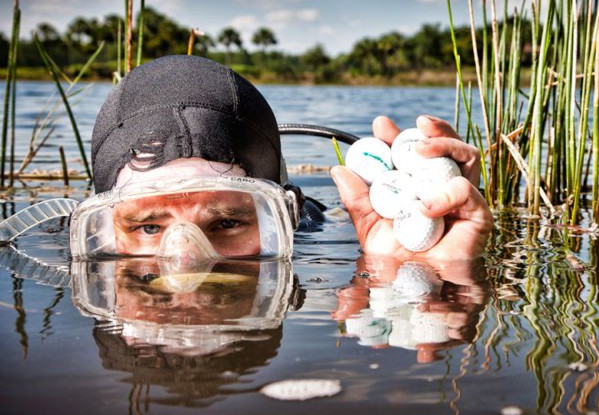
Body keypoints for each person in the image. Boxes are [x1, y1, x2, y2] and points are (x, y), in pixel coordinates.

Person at [70, 54, 492, 262]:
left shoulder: (321, 227)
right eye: (147, 226)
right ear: (99, 231)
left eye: (227, 223)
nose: (185, 261)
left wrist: (425, 271)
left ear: (284, 220)